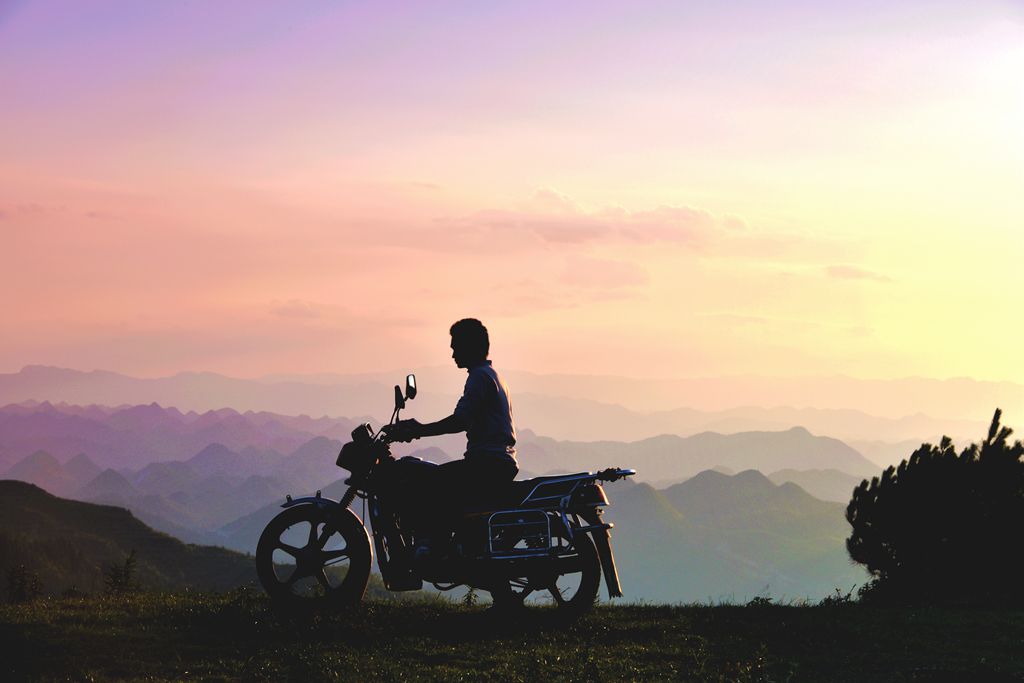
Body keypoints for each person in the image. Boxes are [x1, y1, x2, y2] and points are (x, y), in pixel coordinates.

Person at [384, 318, 518, 559]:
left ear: (470, 346)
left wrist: (418, 430)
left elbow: (461, 421)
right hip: (497, 461)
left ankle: (431, 546)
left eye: (456, 346)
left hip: (488, 463)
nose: (452, 352)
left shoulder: (479, 377)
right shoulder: (491, 374)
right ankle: (443, 542)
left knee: (427, 482)